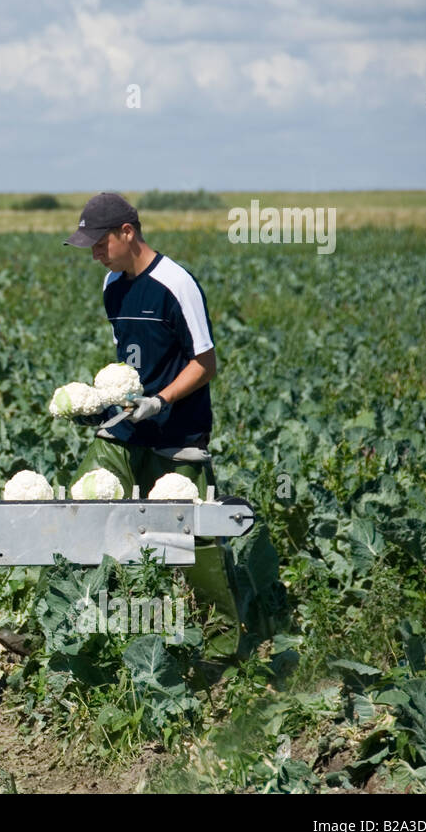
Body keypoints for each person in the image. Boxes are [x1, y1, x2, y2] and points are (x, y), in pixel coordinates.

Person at [64, 192, 287, 662]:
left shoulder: (175, 283)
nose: (94, 253)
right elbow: (126, 359)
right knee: (80, 505)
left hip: (176, 434)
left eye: (99, 242)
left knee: (191, 538)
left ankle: (223, 647)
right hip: (124, 430)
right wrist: (103, 403)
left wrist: (160, 400)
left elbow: (205, 363)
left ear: (128, 232)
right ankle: (62, 627)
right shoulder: (112, 285)